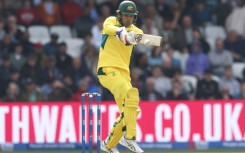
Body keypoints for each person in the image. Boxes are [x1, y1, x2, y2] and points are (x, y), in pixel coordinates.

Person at [97, 1, 144, 153]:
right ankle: (130, 138)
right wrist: (120, 32)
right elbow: (107, 28)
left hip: (124, 74)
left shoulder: (136, 30)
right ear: (120, 14)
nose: (128, 18)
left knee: (131, 111)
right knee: (132, 95)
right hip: (107, 69)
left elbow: (138, 36)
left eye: (131, 16)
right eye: (126, 15)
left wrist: (130, 36)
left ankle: (108, 145)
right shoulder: (111, 21)